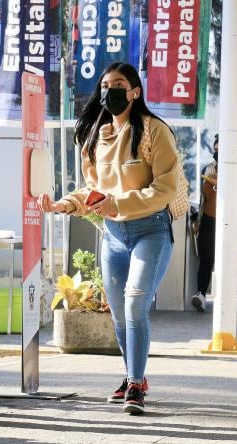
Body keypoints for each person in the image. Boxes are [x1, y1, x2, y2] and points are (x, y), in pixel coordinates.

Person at [37, 63, 178, 415]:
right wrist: (64, 204)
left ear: (135, 91)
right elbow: (92, 191)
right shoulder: (95, 137)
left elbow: (165, 187)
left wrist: (117, 202)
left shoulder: (153, 131)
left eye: (118, 84)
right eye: (105, 85)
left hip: (151, 229)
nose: (109, 91)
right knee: (117, 314)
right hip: (113, 235)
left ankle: (135, 384)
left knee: (134, 304)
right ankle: (133, 376)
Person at [190, 134, 237, 312]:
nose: (218, 150)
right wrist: (198, 220)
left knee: (228, 261)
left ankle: (226, 300)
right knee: (206, 259)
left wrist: (221, 184)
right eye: (216, 147)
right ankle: (200, 294)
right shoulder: (208, 168)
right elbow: (203, 199)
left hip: (231, 222)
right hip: (209, 220)